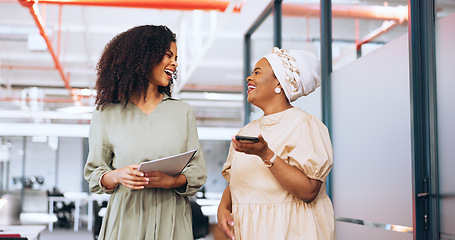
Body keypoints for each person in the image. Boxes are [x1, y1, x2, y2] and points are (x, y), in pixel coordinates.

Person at [84, 25, 207, 240]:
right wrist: (118, 175)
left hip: (172, 216)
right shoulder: (106, 114)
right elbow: (95, 175)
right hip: (126, 217)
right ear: (143, 57)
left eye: (176, 57)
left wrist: (170, 181)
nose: (175, 63)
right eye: (168, 55)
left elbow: (196, 171)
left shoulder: (182, 111)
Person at [217, 47, 335, 240]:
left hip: (292, 232)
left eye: (257, 72)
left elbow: (309, 191)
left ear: (279, 81)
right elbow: (236, 184)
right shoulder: (246, 132)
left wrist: (266, 155)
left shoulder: (304, 125)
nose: (249, 78)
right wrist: (223, 208)